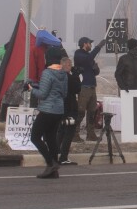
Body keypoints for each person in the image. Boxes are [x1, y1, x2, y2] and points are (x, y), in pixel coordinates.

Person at [29, 46, 68, 179]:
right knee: (51, 138)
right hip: (59, 110)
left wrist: (30, 88)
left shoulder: (47, 73)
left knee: (35, 137)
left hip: (47, 110)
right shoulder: (64, 73)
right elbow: (64, 93)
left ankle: (50, 163)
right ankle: (54, 171)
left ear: (49, 58)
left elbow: (42, 94)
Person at [73, 36, 104, 143]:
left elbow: (93, 70)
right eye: (89, 43)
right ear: (84, 44)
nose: (91, 45)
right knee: (80, 111)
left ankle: (90, 134)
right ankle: (74, 134)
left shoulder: (88, 56)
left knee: (92, 111)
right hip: (83, 87)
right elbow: (87, 59)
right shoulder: (79, 54)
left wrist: (96, 69)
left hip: (92, 86)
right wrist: (99, 47)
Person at [57, 55, 81, 166]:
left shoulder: (56, 76)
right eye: (69, 64)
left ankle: (55, 154)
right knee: (69, 132)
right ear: (64, 65)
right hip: (70, 108)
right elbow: (77, 88)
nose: (71, 67)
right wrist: (76, 75)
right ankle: (63, 157)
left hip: (60, 108)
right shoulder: (68, 77)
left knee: (61, 131)